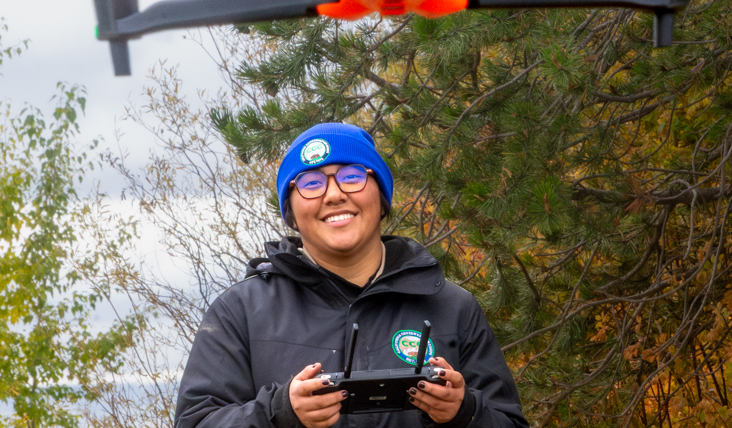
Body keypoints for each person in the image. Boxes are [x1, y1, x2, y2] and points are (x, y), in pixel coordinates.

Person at [175, 123, 529, 428]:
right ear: (292, 214)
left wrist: (464, 412)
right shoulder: (241, 312)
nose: (334, 194)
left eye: (352, 177)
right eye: (311, 183)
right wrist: (279, 414)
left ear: (382, 198)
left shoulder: (452, 307)